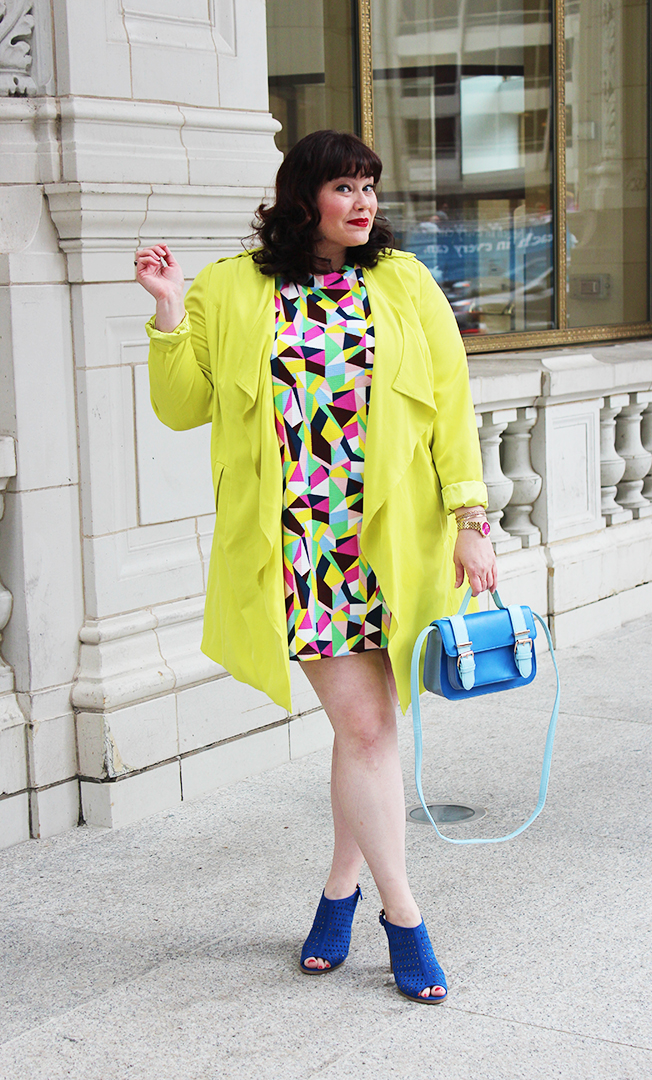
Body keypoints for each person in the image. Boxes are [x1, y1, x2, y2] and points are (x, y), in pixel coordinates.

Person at [136, 129, 497, 1004]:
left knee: (363, 733)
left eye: (370, 184)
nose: (365, 201)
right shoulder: (232, 287)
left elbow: (452, 404)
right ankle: (403, 919)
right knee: (369, 729)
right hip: (301, 547)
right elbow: (183, 407)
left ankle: (339, 895)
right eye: (345, 186)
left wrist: (471, 519)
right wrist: (169, 308)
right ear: (302, 198)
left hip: (393, 543)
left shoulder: (403, 281)